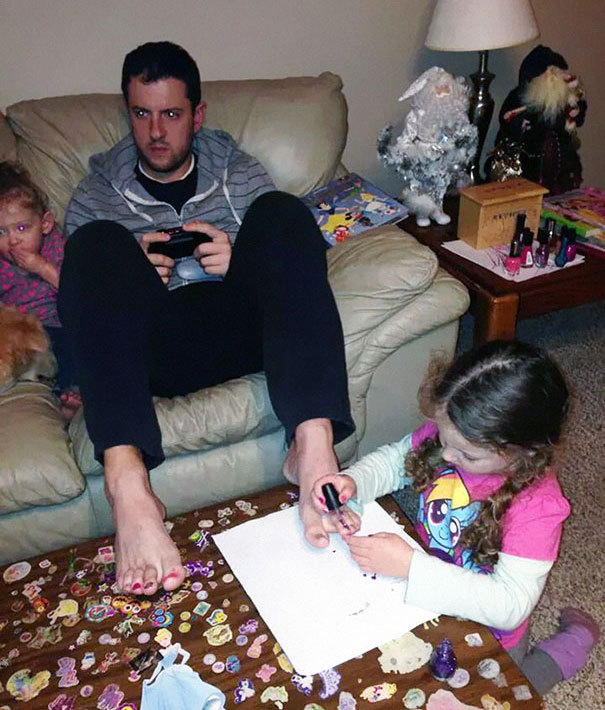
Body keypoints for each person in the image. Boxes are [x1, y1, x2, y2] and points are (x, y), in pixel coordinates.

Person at [58, 41, 354, 597]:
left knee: (283, 212)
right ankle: (130, 492)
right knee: (95, 244)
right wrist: (132, 270)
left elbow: (289, 268)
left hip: (241, 330)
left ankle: (313, 448)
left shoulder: (238, 171)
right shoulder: (96, 192)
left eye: (171, 114)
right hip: (154, 351)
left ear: (197, 115)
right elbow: (80, 305)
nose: (156, 132)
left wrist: (236, 256)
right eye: (141, 113)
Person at [314, 340, 599, 696]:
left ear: (524, 452)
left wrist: (412, 567)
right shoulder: (456, 435)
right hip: (428, 594)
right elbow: (394, 462)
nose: (446, 455)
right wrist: (354, 483)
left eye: (467, 454)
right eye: (442, 437)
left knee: (509, 695)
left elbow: (510, 606)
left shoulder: (538, 507)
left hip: (490, 630)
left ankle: (573, 643)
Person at [0, 161, 80, 419]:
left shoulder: (56, 246)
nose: (13, 240)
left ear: (45, 224)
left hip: (60, 322)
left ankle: (70, 394)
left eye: (22, 228)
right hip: (23, 331)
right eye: (1, 231)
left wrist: (42, 267)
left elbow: (76, 292)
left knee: (74, 344)